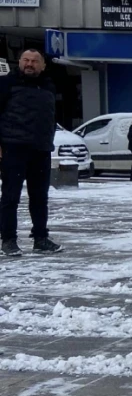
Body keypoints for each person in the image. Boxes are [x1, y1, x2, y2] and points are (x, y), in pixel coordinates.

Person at [0, 49, 62, 256]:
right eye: (26, 60)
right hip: (13, 148)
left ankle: (40, 239)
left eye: (35, 61)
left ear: (43, 65)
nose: (29, 64)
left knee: (39, 197)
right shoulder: (6, 84)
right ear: (19, 62)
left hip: (41, 150)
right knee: (10, 197)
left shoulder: (48, 86)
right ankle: (8, 240)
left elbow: (51, 118)